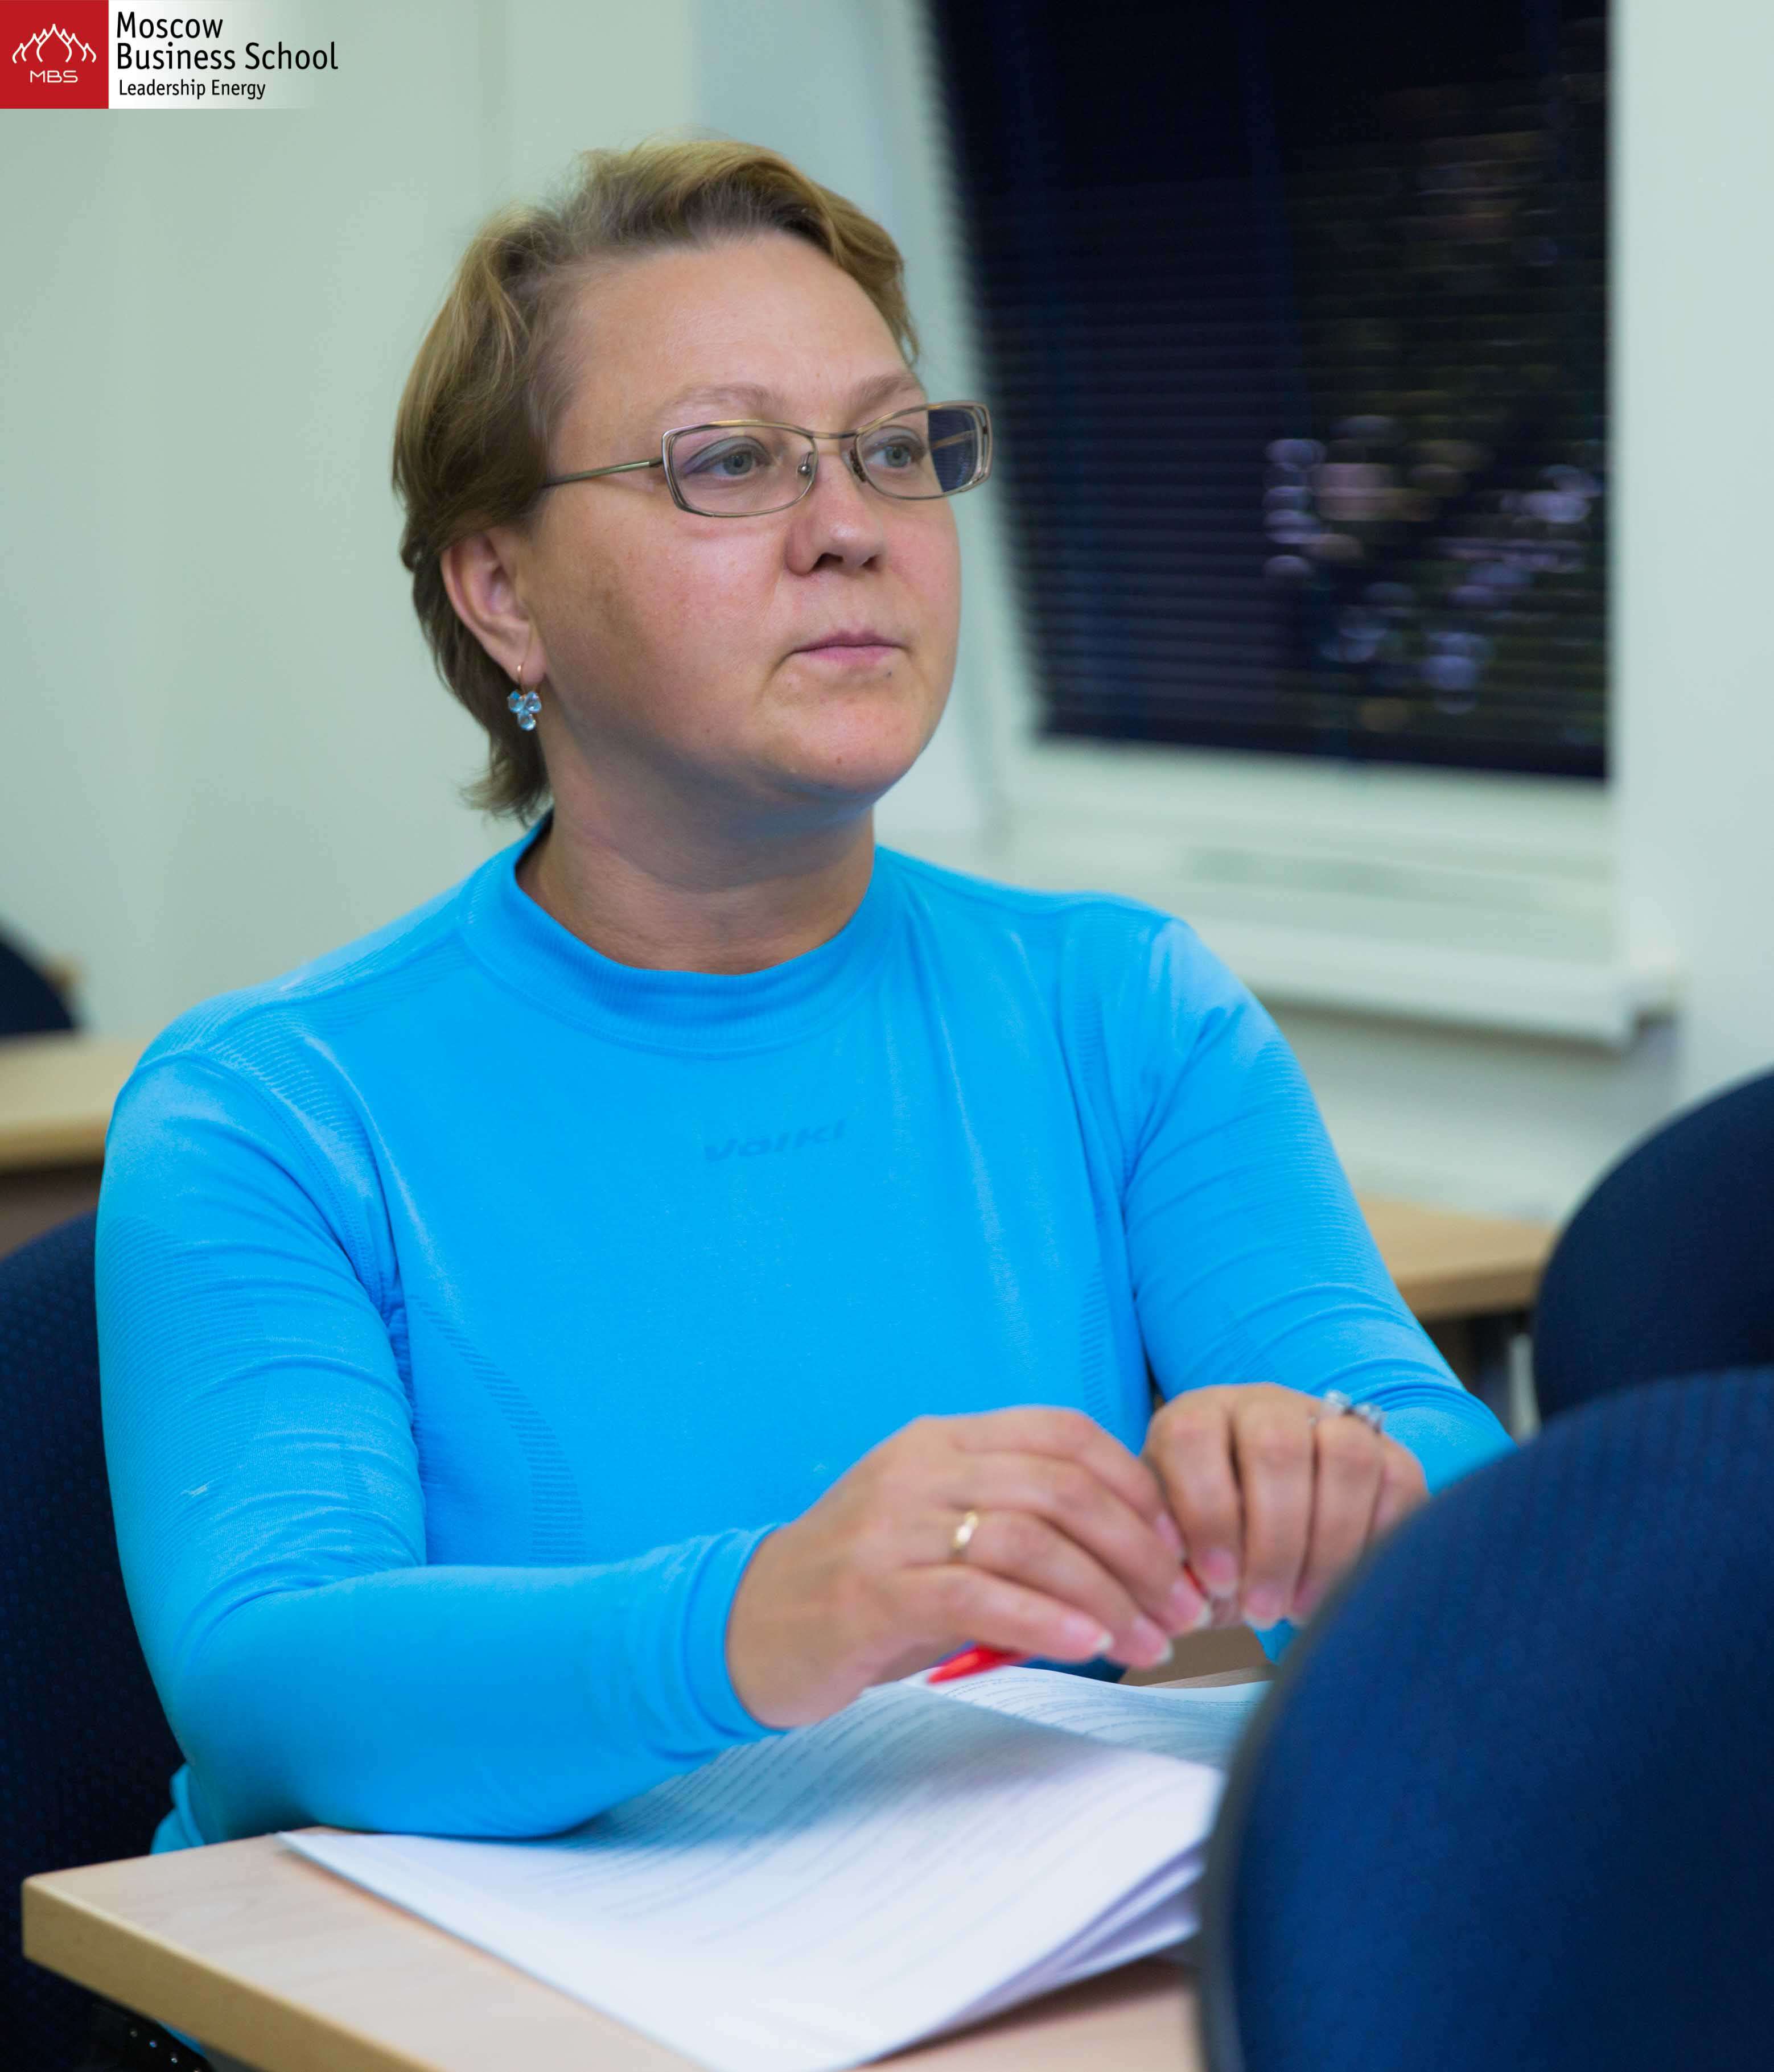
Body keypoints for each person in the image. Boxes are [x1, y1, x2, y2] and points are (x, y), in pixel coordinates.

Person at [97, 138, 1512, 1854]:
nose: (851, 530)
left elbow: (1458, 1487)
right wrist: (767, 1617)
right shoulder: (268, 1110)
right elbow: (270, 1686)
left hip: (976, 1936)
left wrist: (1326, 1486)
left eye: (895, 450)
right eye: (730, 462)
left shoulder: (1124, 1008)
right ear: (503, 593)